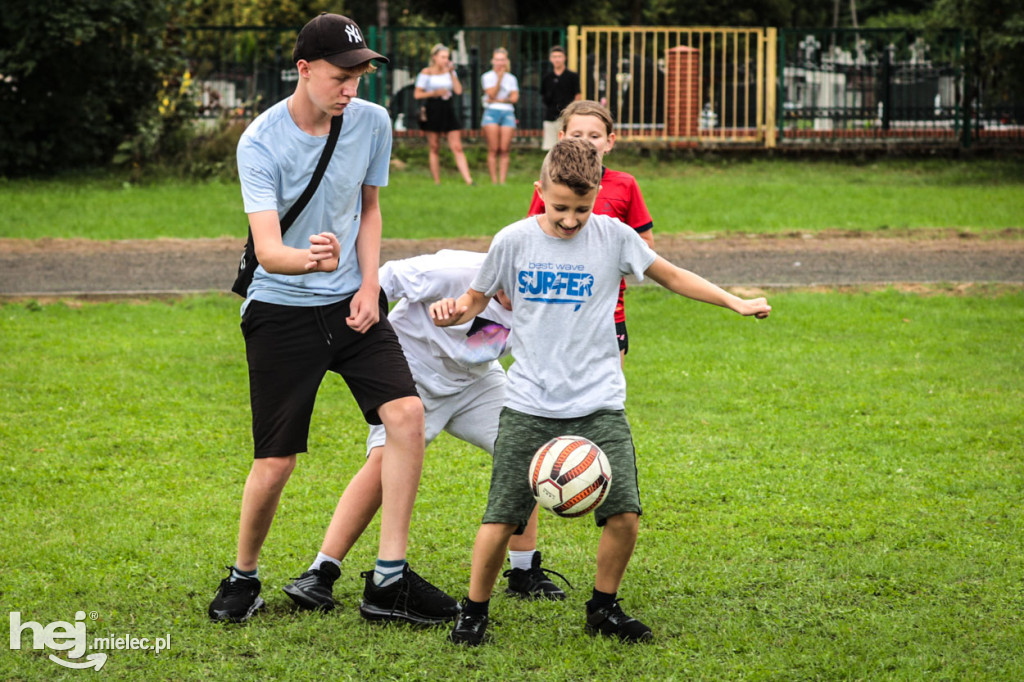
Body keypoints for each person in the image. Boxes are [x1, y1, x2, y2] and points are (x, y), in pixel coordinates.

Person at [431, 138, 771, 646]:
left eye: (582, 209)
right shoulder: (513, 240)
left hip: (599, 400)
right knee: (502, 516)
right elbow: (475, 299)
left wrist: (734, 302)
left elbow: (672, 275)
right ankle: (474, 611)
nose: (571, 220)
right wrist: (452, 310)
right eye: (560, 207)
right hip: (529, 402)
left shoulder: (613, 236)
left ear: (598, 197)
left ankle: (603, 608)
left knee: (626, 514)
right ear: (539, 190)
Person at [208, 12, 458, 626]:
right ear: (305, 69)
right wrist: (308, 260)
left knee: (406, 416)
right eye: (342, 75)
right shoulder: (261, 141)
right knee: (277, 461)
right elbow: (267, 250)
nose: (352, 87)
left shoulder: (371, 123)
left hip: (350, 306)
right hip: (280, 310)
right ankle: (243, 576)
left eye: (361, 74)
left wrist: (369, 285)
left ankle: (389, 579)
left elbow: (368, 211)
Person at [281, 250, 569, 614]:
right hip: (408, 373)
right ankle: (321, 572)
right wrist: (368, 353)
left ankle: (524, 570)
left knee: (526, 449)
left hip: (475, 383)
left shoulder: (548, 302)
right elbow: (383, 280)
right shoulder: (452, 271)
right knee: (384, 462)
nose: (532, 295)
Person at [528, 100, 653, 363]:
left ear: (609, 141)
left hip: (608, 312)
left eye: (594, 136)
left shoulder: (625, 184)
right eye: (577, 135)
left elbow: (645, 246)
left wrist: (608, 260)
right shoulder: (551, 185)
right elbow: (530, 240)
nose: (585, 142)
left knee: (608, 390)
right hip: (554, 306)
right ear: (561, 139)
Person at [414, 44, 473, 186]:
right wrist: (434, 93)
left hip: (448, 108)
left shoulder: (450, 72)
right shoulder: (426, 72)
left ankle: (469, 180)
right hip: (433, 108)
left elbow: (458, 91)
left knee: (457, 146)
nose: (446, 60)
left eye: (447, 57)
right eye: (443, 57)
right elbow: (417, 94)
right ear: (434, 57)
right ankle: (437, 181)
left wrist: (452, 73)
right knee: (434, 146)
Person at [480, 47, 519, 185]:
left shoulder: (512, 78)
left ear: (506, 61)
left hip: (507, 112)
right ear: (492, 61)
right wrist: (499, 78)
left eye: (502, 60)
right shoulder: (487, 77)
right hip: (491, 112)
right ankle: (494, 181)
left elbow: (514, 98)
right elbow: (491, 94)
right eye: (497, 59)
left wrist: (500, 100)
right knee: (493, 148)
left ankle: (502, 181)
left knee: (504, 148)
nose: (499, 63)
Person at [540, 46, 581, 151]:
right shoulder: (546, 77)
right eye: (554, 56)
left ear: (564, 58)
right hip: (550, 116)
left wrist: (573, 112)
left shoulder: (572, 76)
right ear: (550, 59)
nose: (557, 59)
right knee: (551, 148)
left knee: (567, 147)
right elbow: (543, 95)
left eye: (559, 56)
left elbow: (577, 95)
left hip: (566, 116)